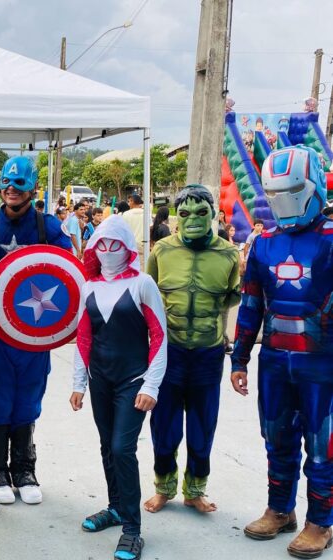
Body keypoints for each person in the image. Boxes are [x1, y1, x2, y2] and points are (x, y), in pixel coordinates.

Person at [231, 146, 333, 558]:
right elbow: (251, 302)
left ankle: (320, 522)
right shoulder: (264, 243)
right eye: (276, 193)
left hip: (322, 363)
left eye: (292, 191)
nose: (284, 201)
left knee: (323, 443)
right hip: (274, 359)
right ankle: (280, 509)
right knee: (276, 437)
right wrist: (239, 358)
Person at [0, 156, 72, 506]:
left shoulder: (50, 228)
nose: (12, 189)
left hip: (33, 335)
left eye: (20, 183)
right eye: (7, 182)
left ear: (33, 187)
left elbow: (69, 276)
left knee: (28, 399)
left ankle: (24, 468)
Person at [71, 215, 166, 560]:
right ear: (94, 247)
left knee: (122, 448)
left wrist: (152, 384)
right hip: (100, 379)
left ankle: (132, 528)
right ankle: (115, 507)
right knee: (107, 446)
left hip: (133, 380)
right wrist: (78, 383)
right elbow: (83, 336)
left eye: (116, 244)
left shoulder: (143, 284)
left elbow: (158, 336)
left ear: (127, 248)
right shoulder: (89, 286)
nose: (109, 250)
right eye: (102, 244)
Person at [143, 185, 240, 516]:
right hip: (169, 353)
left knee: (202, 425)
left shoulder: (229, 255)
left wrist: (223, 332)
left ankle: (195, 490)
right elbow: (148, 298)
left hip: (208, 354)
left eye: (202, 212)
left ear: (214, 214)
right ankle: (163, 488)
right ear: (176, 217)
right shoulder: (161, 252)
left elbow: (232, 297)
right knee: (164, 425)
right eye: (185, 213)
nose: (194, 219)